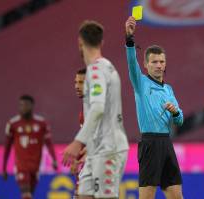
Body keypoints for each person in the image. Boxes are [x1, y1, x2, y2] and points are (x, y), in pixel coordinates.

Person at [62, 20, 129, 199]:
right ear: (102, 43)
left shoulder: (97, 71)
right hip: (96, 150)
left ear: (80, 42)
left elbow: (98, 109)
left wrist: (78, 142)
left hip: (108, 149)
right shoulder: (105, 67)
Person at [125, 16, 184, 199]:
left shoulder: (168, 89)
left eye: (161, 62)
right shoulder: (140, 83)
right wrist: (129, 39)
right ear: (145, 64)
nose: (159, 65)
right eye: (154, 62)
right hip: (150, 144)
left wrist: (175, 112)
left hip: (166, 143)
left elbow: (180, 120)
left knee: (176, 195)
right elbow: (131, 63)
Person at [2, 95, 57, 199]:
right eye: (21, 105)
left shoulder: (41, 123)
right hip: (21, 166)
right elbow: (7, 147)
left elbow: (48, 143)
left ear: (32, 106)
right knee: (26, 194)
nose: (23, 107)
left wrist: (54, 159)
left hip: (36, 166)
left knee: (30, 194)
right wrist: (4, 168)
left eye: (26, 105)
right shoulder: (13, 124)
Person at [71, 68, 87, 199]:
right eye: (76, 82)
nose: (77, 86)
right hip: (87, 164)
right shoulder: (83, 112)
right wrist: (77, 160)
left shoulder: (98, 108)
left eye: (81, 82)